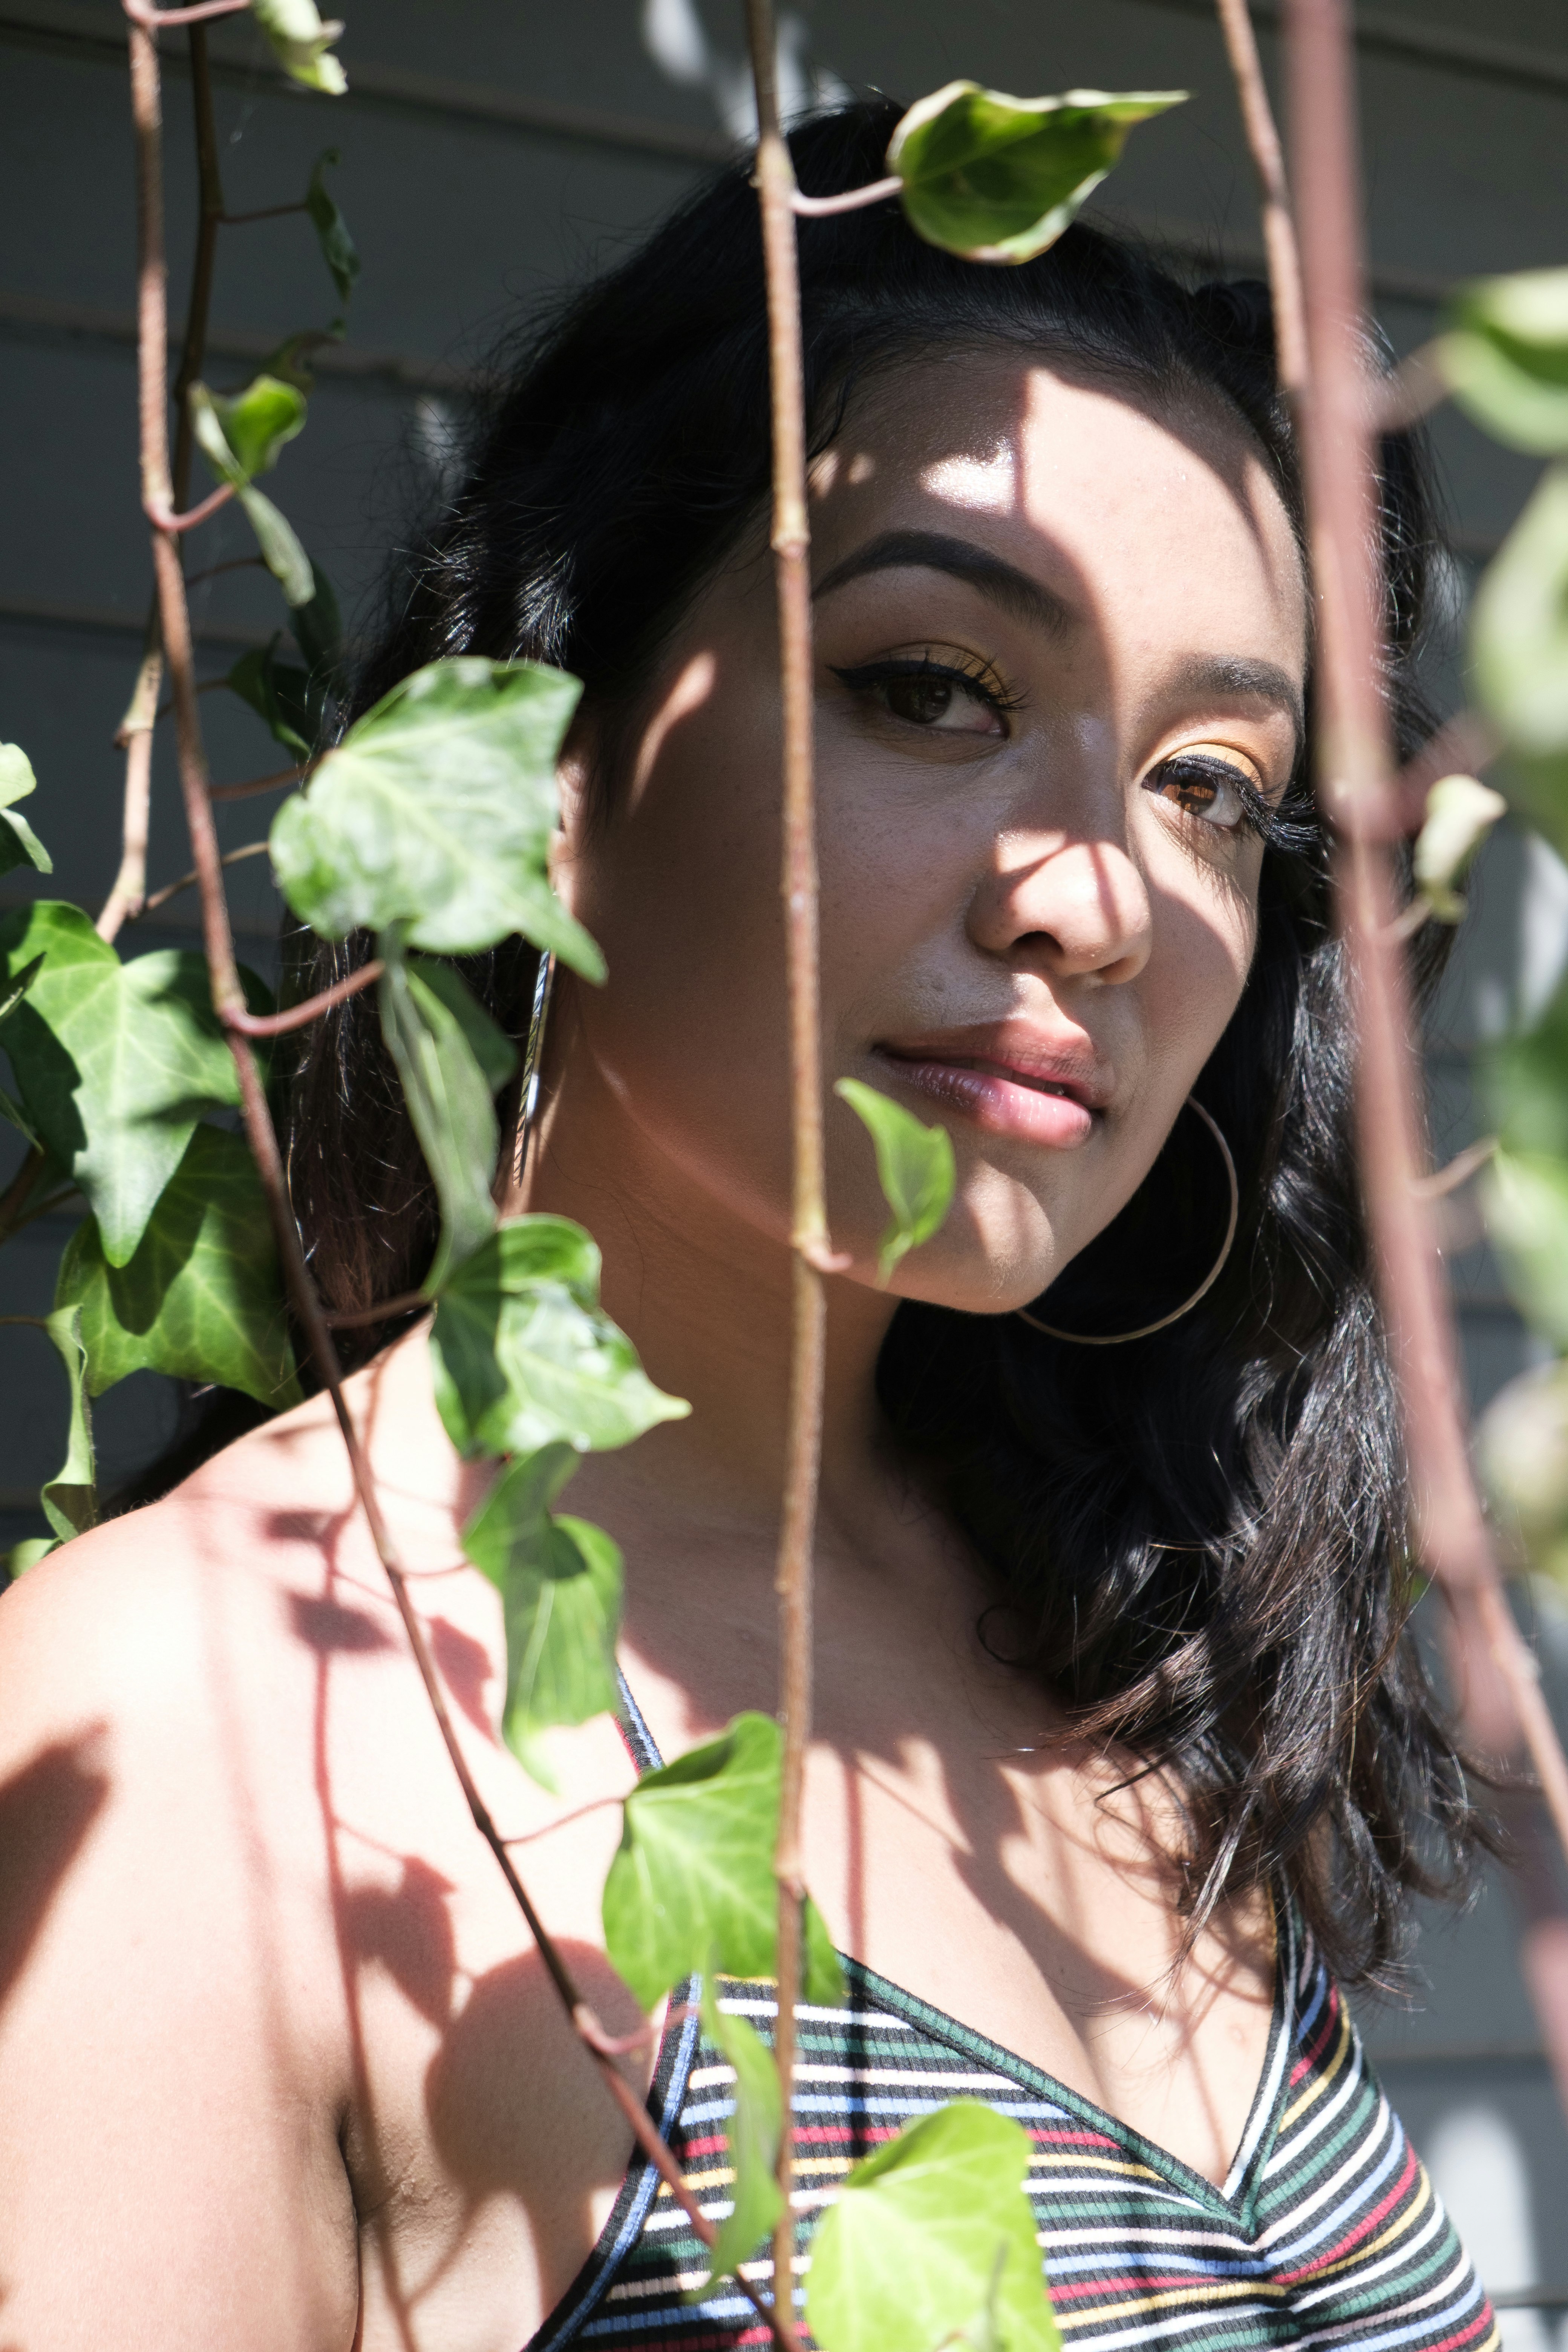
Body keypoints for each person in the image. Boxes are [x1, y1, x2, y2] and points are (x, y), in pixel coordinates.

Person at [0, 100, 1496, 2352]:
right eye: (934, 686)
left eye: (1210, 789)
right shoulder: (202, 1729)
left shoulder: (1108, 1588)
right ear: (545, 762)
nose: (1101, 899)